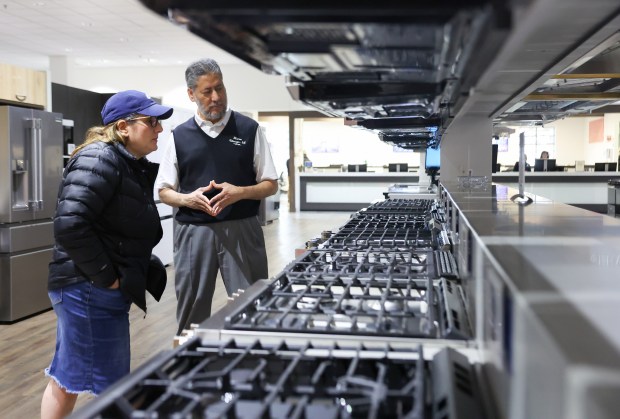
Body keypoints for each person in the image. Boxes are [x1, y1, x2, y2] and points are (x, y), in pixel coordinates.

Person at [40, 90, 173, 419]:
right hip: (88, 287)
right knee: (112, 386)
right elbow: (70, 225)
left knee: (69, 377)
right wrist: (107, 278)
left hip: (87, 287)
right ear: (125, 127)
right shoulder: (100, 158)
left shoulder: (122, 161)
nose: (159, 129)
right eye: (152, 122)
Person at [155, 58, 278, 335]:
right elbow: (164, 191)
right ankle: (188, 368)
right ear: (191, 94)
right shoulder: (179, 136)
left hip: (242, 229)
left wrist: (241, 192)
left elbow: (271, 184)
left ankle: (251, 364)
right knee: (192, 310)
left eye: (220, 88)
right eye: (207, 91)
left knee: (251, 304)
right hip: (193, 233)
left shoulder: (249, 130)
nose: (216, 97)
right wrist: (187, 199)